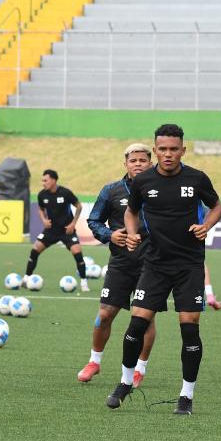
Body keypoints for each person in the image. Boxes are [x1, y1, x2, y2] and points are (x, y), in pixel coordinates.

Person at [105, 124, 221, 415]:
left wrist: (206, 226)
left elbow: (217, 206)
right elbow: (131, 211)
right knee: (137, 324)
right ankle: (125, 382)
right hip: (155, 264)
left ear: (183, 149)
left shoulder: (197, 178)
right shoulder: (143, 181)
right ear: (155, 150)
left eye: (174, 149)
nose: (168, 154)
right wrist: (131, 233)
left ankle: (186, 395)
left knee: (189, 329)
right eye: (162, 149)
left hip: (189, 265)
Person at [77, 143, 156, 385]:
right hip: (120, 263)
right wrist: (109, 235)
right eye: (134, 161)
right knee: (104, 313)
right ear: (126, 164)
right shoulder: (111, 191)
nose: (138, 164)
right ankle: (94, 361)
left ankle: (139, 368)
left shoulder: (161, 190)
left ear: (150, 162)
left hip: (152, 265)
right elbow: (93, 220)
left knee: (145, 319)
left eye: (143, 160)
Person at [24, 169, 89, 291]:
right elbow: (40, 209)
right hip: (51, 231)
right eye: (42, 181)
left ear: (53, 180)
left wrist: (73, 223)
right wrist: (43, 220)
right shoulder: (42, 194)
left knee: (77, 252)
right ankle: (26, 278)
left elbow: (79, 206)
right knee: (35, 249)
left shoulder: (65, 193)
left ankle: (84, 282)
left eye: (45, 180)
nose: (43, 183)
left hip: (67, 230)